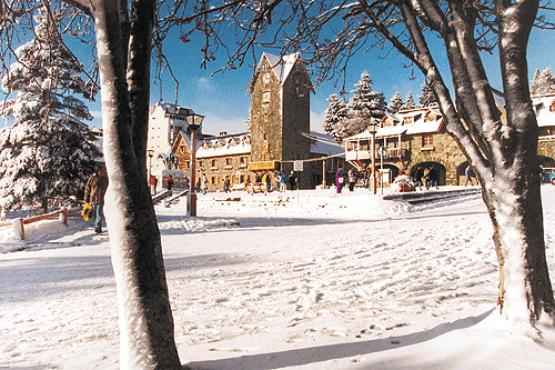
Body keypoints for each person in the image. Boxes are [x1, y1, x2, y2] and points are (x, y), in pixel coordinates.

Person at [84, 164, 108, 234]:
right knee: (94, 214)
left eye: (104, 170)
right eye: (101, 170)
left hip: (101, 199)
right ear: (98, 171)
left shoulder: (106, 178)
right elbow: (87, 188)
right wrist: (86, 198)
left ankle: (98, 227)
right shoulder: (93, 178)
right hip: (93, 199)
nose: (103, 171)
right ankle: (96, 225)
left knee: (99, 214)